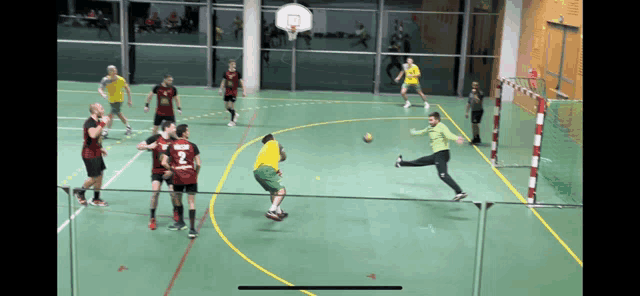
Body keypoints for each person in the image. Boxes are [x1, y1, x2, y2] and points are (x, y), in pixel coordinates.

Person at [395, 112, 468, 201]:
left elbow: (448, 135)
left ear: (437, 120)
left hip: (442, 153)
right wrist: (413, 132)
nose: (429, 122)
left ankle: (459, 192)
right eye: (429, 120)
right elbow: (423, 132)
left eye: (431, 120)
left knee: (443, 175)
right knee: (420, 161)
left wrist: (456, 138)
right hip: (437, 155)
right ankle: (400, 163)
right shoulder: (430, 128)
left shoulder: (441, 126)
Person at [137, 120, 180, 230]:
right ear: (167, 128)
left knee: (173, 193)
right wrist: (149, 146)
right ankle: (152, 218)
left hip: (169, 171)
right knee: (155, 193)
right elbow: (139, 146)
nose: (175, 129)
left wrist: (172, 170)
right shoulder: (155, 138)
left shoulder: (174, 140)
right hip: (156, 171)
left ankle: (176, 210)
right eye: (173, 127)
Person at [161, 124, 202, 238]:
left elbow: (164, 162)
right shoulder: (193, 145)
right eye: (187, 131)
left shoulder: (171, 146)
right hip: (190, 175)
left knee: (178, 200)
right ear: (183, 133)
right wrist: (195, 174)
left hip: (177, 175)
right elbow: (198, 164)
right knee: (191, 202)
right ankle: (192, 229)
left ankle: (180, 223)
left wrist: (172, 169)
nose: (189, 132)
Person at [73, 103, 110, 207]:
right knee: (94, 177)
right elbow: (93, 134)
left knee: (100, 175)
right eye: (101, 108)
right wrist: (103, 123)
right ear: (95, 111)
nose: (103, 110)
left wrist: (101, 147)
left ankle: (96, 199)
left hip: (96, 152)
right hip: (89, 154)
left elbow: (97, 137)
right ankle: (80, 192)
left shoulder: (97, 121)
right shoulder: (89, 123)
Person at [253, 134, 288, 221]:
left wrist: (276, 171)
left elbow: (268, 161)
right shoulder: (274, 143)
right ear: (272, 139)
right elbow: (284, 157)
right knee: (281, 190)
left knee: (273, 191)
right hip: (267, 170)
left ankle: (278, 212)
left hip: (257, 172)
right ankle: (271, 211)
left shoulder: (264, 150)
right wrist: (280, 159)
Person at [98, 65, 133, 138]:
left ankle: (105, 131)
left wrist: (129, 100)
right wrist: (103, 94)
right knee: (119, 114)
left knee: (110, 115)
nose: (115, 72)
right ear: (109, 72)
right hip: (111, 100)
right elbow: (100, 89)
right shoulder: (106, 80)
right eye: (113, 70)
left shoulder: (121, 79)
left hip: (119, 100)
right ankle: (128, 127)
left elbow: (127, 89)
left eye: (115, 70)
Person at [218, 59, 246, 127]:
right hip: (227, 91)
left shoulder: (237, 73)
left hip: (234, 91)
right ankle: (235, 114)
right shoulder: (226, 73)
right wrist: (220, 89)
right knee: (227, 107)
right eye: (232, 64)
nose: (234, 65)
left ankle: (232, 121)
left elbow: (242, 82)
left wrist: (244, 91)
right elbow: (223, 82)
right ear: (229, 65)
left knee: (232, 106)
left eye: (234, 64)